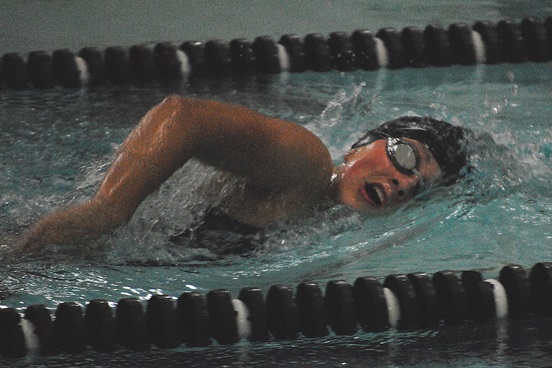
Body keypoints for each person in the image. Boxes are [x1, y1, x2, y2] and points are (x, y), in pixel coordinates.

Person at [15, 96, 470, 254]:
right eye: (407, 159)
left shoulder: (324, 223)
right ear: (362, 144)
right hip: (62, 248)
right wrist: (109, 208)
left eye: (419, 188)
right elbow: (184, 116)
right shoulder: (307, 168)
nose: (406, 182)